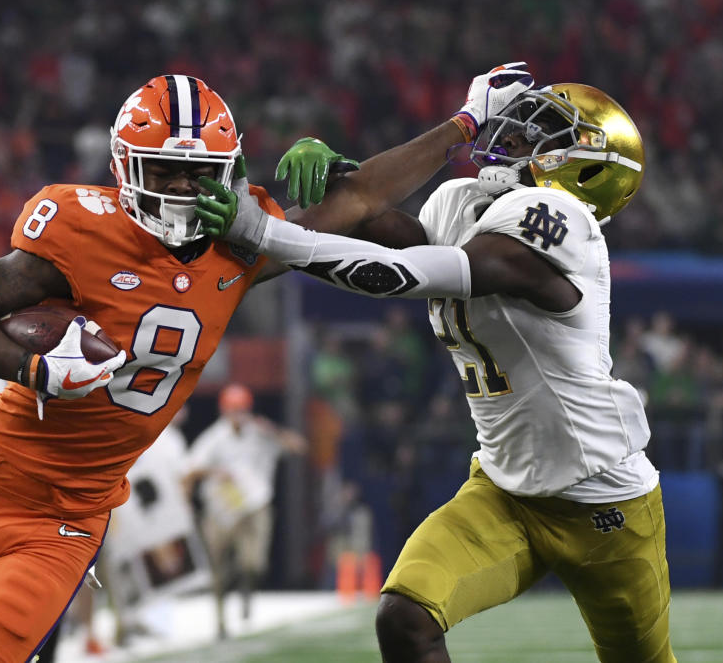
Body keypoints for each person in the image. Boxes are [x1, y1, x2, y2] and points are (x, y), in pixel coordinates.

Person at [0, 72, 444, 662]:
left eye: (198, 174)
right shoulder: (79, 228)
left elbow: (364, 203)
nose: (181, 188)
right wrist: (35, 367)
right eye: (163, 171)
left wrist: (457, 128)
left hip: (68, 516)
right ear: (126, 168)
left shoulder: (246, 241)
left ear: (226, 171)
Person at [197, 66, 675, 661]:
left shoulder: (564, 226)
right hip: (504, 492)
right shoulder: (464, 201)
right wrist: (336, 180)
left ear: (585, 169)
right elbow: (369, 220)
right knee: (405, 618)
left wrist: (265, 231)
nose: (520, 133)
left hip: (605, 501)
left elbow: (406, 275)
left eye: (544, 132)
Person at [184, 383, 305, 639]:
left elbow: (298, 447)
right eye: (233, 410)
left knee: (254, 564)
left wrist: (273, 430)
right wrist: (217, 472)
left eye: (241, 410)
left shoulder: (260, 433)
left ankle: (246, 592)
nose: (237, 415)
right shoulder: (214, 438)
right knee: (218, 568)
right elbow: (190, 469)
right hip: (222, 509)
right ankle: (220, 622)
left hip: (255, 507)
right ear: (224, 411)